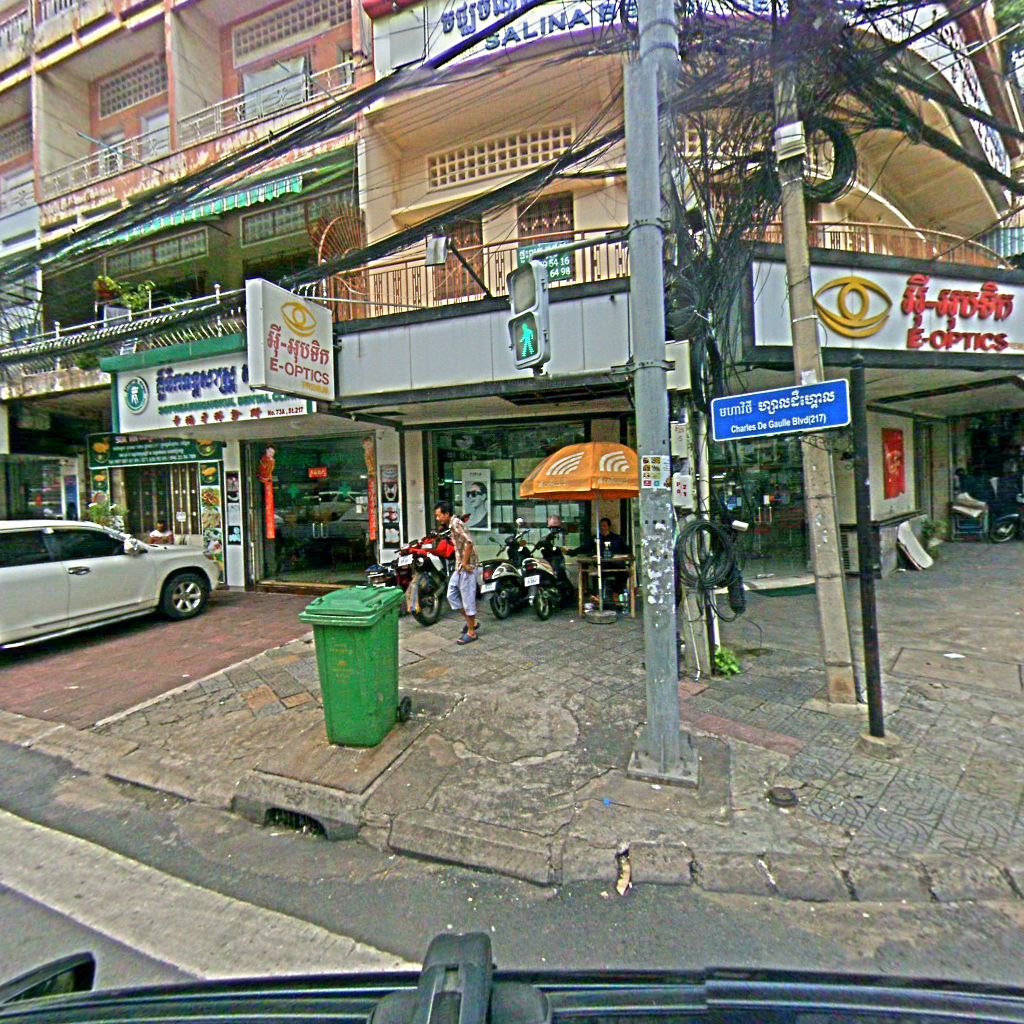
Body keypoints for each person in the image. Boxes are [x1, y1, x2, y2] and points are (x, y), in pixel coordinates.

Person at [435, 500, 480, 645]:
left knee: (467, 599)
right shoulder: (451, 524)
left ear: (447, 514)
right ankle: (472, 622)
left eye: (439, 515)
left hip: (467, 566)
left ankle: (472, 632)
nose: (437, 518)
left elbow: (469, 543)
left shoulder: (455, 523)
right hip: (460, 566)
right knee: (451, 594)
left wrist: (465, 563)